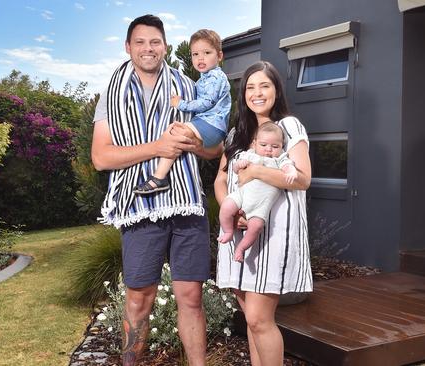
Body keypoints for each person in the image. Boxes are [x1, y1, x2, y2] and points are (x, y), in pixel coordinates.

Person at [90, 14, 221, 366]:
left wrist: (193, 144)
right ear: (128, 47)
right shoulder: (111, 96)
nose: (148, 48)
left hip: (186, 202)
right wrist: (159, 147)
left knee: (191, 296)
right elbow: (101, 157)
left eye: (155, 42)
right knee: (139, 298)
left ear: (164, 46)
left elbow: (215, 148)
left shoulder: (190, 89)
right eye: (140, 42)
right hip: (139, 205)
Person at [214, 61, 313, 366]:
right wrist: (230, 211)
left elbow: (303, 178)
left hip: (272, 236)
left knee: (259, 320)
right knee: (251, 321)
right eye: (251, 87)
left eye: (265, 86)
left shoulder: (289, 126)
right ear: (243, 93)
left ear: (276, 90)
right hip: (239, 235)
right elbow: (220, 180)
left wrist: (255, 170)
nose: (257, 93)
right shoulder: (236, 135)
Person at [133, 28, 231, 195]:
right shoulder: (205, 77)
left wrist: (181, 104)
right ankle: (160, 176)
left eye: (207, 52)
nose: (200, 58)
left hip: (212, 125)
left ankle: (159, 177)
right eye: (195, 54)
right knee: (176, 132)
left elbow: (207, 102)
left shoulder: (216, 77)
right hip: (207, 123)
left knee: (176, 132)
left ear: (219, 56)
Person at [217, 122, 297, 262]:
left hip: (262, 204)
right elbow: (235, 168)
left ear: (282, 147)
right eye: (263, 145)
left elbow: (288, 166)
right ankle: (228, 231)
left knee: (256, 226)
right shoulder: (250, 155)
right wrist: (239, 165)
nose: (268, 150)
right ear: (254, 144)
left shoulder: (280, 159)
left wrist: (291, 171)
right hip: (242, 194)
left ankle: (241, 248)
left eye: (275, 146)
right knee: (226, 206)